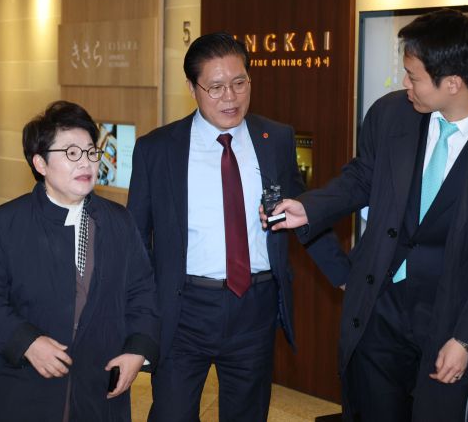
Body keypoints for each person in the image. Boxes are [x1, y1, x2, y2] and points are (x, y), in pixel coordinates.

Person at [265, 9, 468, 422]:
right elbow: (361, 177)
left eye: (413, 76)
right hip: (378, 306)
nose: (405, 85)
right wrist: (309, 207)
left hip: (449, 320)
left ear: (452, 82)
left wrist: (467, 340)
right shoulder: (391, 113)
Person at [127, 32, 350, 422]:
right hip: (183, 309)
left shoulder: (275, 138)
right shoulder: (158, 148)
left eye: (239, 83)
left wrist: (346, 275)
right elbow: (136, 238)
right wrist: (137, 313)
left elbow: (301, 213)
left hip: (254, 306)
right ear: (192, 88)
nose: (230, 97)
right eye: (215, 87)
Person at [0, 101, 160, 422]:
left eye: (91, 152)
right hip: (21, 387)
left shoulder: (119, 221)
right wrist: (26, 342)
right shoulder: (7, 222)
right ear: (40, 163)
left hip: (96, 390)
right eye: (71, 153)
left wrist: (138, 350)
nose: (86, 162)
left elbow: (142, 293)